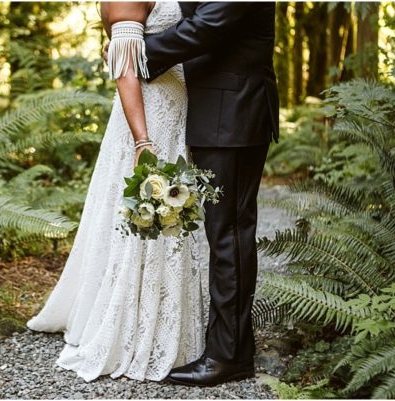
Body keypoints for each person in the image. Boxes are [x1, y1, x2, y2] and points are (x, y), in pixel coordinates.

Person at [26, 1, 211, 383]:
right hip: (150, 117)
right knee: (150, 219)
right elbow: (125, 67)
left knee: (175, 219)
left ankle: (174, 315)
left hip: (178, 111)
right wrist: (143, 140)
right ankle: (139, 324)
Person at [142, 2, 280, 386]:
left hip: (233, 116)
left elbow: (205, 27)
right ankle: (234, 349)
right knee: (225, 234)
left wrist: (138, 49)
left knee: (228, 235)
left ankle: (226, 356)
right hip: (220, 117)